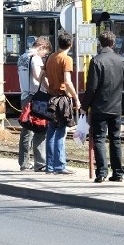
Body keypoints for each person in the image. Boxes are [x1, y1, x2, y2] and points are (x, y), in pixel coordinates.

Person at [82, 30, 124, 183]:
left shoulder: (96, 61)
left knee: (99, 139)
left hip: (99, 107)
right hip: (116, 107)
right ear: (114, 43)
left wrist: (85, 105)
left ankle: (101, 173)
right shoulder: (122, 60)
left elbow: (91, 87)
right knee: (116, 139)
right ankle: (118, 173)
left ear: (100, 43)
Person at [44, 32, 81, 175]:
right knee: (60, 132)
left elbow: (43, 77)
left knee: (51, 132)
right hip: (62, 100)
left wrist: (50, 89)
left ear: (58, 43)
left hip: (51, 98)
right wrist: (76, 97)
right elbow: (67, 81)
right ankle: (59, 166)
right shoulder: (66, 59)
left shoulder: (50, 57)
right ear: (70, 44)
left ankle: (49, 166)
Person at [17, 36, 51, 172]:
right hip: (35, 97)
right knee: (40, 130)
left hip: (24, 95)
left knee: (26, 130)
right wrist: (49, 88)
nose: (45, 56)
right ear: (41, 47)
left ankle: (24, 163)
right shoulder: (35, 58)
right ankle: (40, 163)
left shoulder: (22, 57)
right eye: (45, 53)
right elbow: (38, 76)